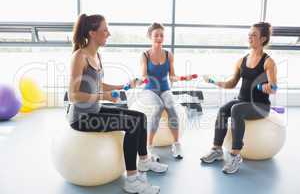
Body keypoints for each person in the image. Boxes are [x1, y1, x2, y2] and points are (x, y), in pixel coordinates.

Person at [68, 14, 168, 194]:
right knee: (132, 123)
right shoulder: (79, 56)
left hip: (94, 110)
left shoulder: (96, 55)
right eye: (104, 30)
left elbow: (97, 85)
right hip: (82, 118)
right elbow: (73, 95)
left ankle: (144, 161)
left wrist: (123, 86)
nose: (109, 33)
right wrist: (104, 96)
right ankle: (132, 180)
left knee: (140, 117)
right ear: (92, 33)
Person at [200, 22, 277, 174]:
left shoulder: (268, 62)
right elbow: (231, 83)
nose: (250, 37)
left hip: (260, 106)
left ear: (263, 39)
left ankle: (235, 155)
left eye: (254, 35)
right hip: (243, 101)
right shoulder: (242, 60)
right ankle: (217, 149)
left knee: (236, 109)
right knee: (223, 109)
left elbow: (274, 87)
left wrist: (269, 87)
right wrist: (214, 81)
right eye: (249, 35)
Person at [140, 23, 192, 160]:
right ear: (150, 37)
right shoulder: (145, 55)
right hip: (150, 90)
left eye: (161, 35)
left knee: (171, 107)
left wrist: (181, 78)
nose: (159, 37)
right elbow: (144, 75)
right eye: (156, 35)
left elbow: (172, 76)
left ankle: (176, 143)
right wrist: (143, 79)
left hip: (164, 89)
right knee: (158, 107)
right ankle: (149, 147)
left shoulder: (169, 55)